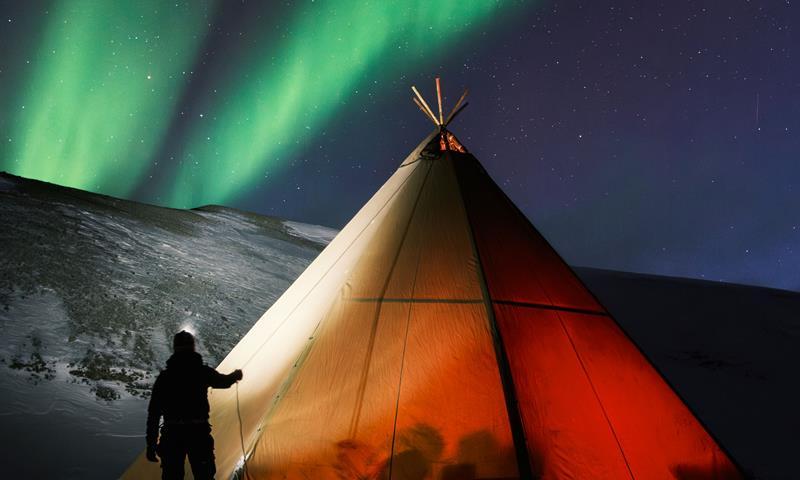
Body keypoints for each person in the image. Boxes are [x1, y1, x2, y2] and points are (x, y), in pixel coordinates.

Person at [145, 330, 243, 480]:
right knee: (204, 475)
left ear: (175, 348)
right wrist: (235, 376)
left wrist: (151, 445)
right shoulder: (201, 372)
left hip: (172, 435)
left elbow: (154, 414)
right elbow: (223, 382)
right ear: (192, 347)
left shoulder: (165, 378)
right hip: (198, 433)